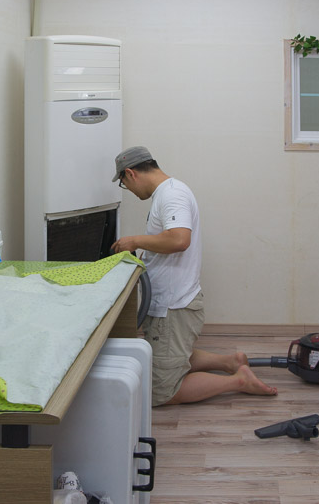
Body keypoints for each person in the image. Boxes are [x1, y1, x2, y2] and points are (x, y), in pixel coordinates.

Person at [110, 146, 277, 405]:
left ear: (130, 173)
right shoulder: (168, 192)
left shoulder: (172, 194)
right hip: (174, 301)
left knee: (160, 393)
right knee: (169, 350)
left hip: (173, 306)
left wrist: (135, 241)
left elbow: (179, 240)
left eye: (124, 183)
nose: (128, 190)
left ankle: (239, 381)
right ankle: (230, 362)